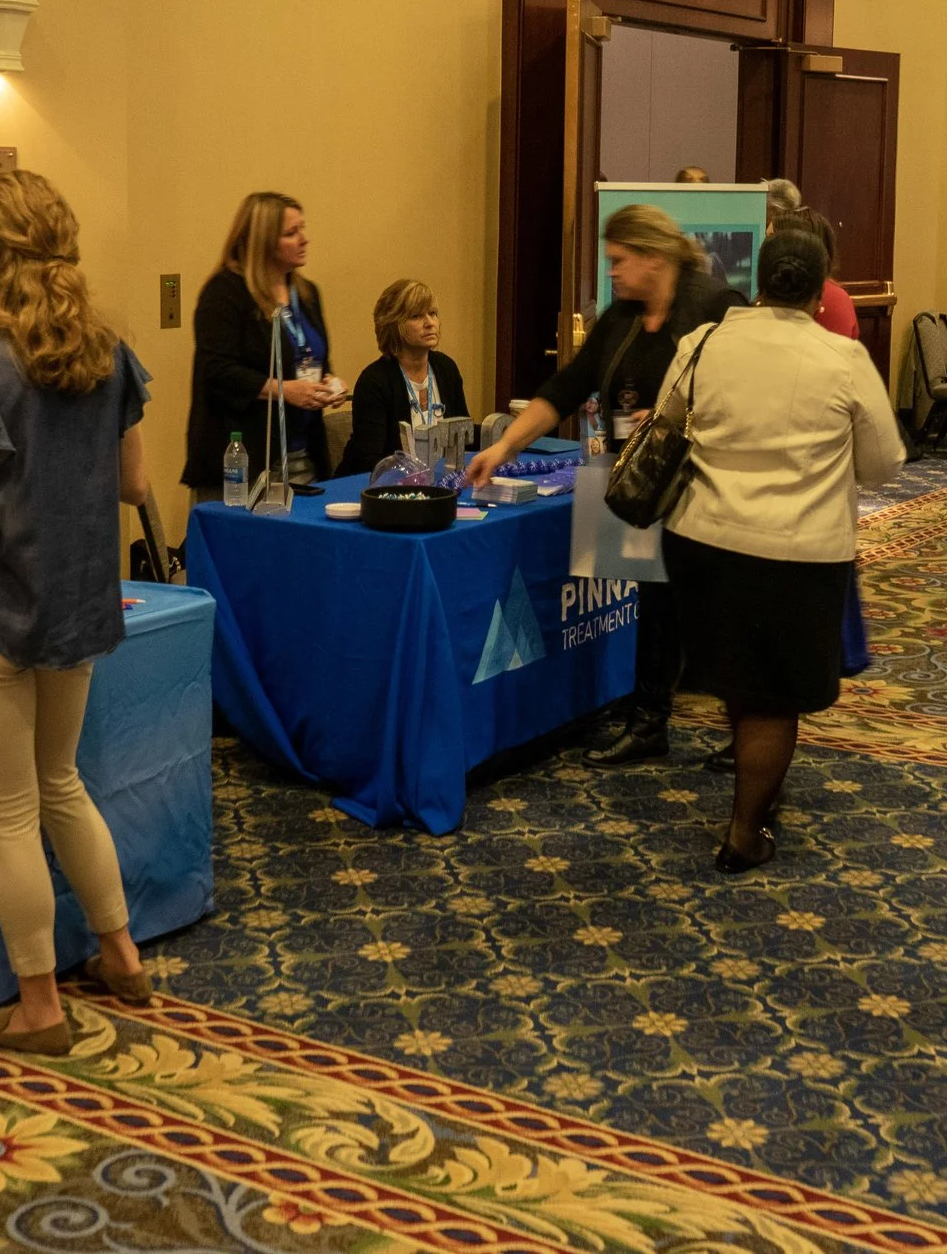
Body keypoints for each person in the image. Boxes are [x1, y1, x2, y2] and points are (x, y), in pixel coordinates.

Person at [0, 170, 157, 1055]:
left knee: (9, 814)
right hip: (76, 606)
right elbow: (132, 485)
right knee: (63, 783)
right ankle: (122, 955)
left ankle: (41, 1007)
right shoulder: (108, 355)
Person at [657, 229, 902, 872]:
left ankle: (754, 800)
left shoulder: (702, 342)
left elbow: (664, 423)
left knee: (741, 680)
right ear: (822, 292)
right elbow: (882, 464)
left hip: (703, 542)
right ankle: (743, 834)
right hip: (797, 550)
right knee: (773, 698)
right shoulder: (842, 358)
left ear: (758, 281)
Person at [467, 203, 743, 766]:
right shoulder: (620, 318)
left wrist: (676, 422)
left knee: (717, 604)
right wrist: (503, 446)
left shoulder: (718, 306)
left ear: (654, 257)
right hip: (636, 485)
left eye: (618, 260)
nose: (610, 272)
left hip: (702, 482)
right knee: (654, 599)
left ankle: (748, 729)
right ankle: (648, 723)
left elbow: (743, 398)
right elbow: (566, 388)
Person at [184, 192, 340, 501]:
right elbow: (216, 371)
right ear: (263, 241)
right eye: (291, 233)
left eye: (302, 229)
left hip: (303, 456)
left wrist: (329, 383)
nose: (304, 240)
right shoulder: (225, 293)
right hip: (244, 461)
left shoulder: (306, 294)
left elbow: (310, 357)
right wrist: (283, 390)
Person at [335, 278, 469, 477]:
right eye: (416, 316)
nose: (430, 323)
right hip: (379, 487)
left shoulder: (446, 368)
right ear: (394, 325)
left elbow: (464, 439)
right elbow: (369, 460)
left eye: (432, 314)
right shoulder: (374, 381)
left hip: (440, 482)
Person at [770, 208, 859, 339]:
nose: (763, 246)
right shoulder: (779, 288)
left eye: (770, 239)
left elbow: (827, 357)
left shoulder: (831, 298)